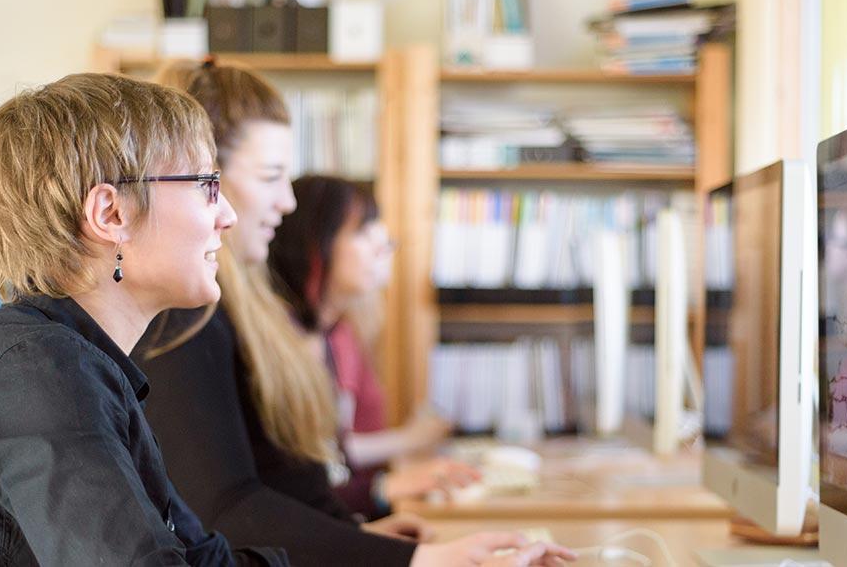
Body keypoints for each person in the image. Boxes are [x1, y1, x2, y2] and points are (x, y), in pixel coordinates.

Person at [134, 59, 574, 567]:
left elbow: (281, 484)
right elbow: (227, 510)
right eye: (271, 176)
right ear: (204, 181)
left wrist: (364, 540)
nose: (288, 200)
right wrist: (418, 561)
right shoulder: (186, 316)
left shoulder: (249, 312)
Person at [0, 73, 287, 565]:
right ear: (111, 214)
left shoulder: (80, 367)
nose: (227, 215)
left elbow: (204, 558)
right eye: (206, 184)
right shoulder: (33, 373)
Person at [266, 175, 480, 519]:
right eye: (363, 232)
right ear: (314, 245)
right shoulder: (279, 346)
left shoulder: (329, 333)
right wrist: (387, 483)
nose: (384, 245)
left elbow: (332, 461)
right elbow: (294, 487)